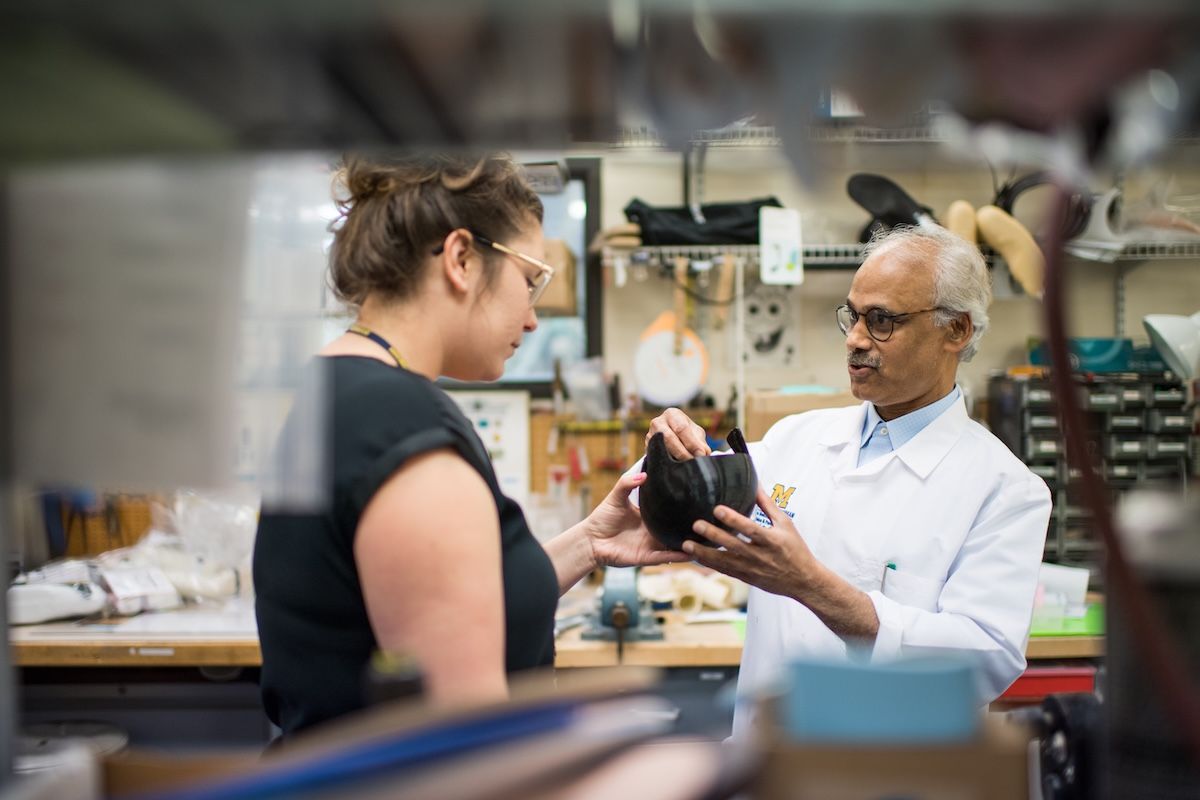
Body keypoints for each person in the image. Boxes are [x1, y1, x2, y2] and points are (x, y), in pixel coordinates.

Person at [253, 153, 685, 738]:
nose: (532, 319)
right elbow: (463, 740)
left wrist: (590, 542)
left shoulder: (339, 390)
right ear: (460, 259)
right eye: (529, 281)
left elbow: (454, 604)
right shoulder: (402, 425)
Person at [644, 224, 1051, 738]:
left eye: (881, 321)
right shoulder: (796, 438)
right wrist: (673, 449)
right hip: (764, 760)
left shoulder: (1006, 490)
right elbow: (691, 496)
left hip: (884, 768)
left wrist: (811, 586)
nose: (856, 339)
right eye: (852, 316)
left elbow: (982, 662)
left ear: (956, 331)